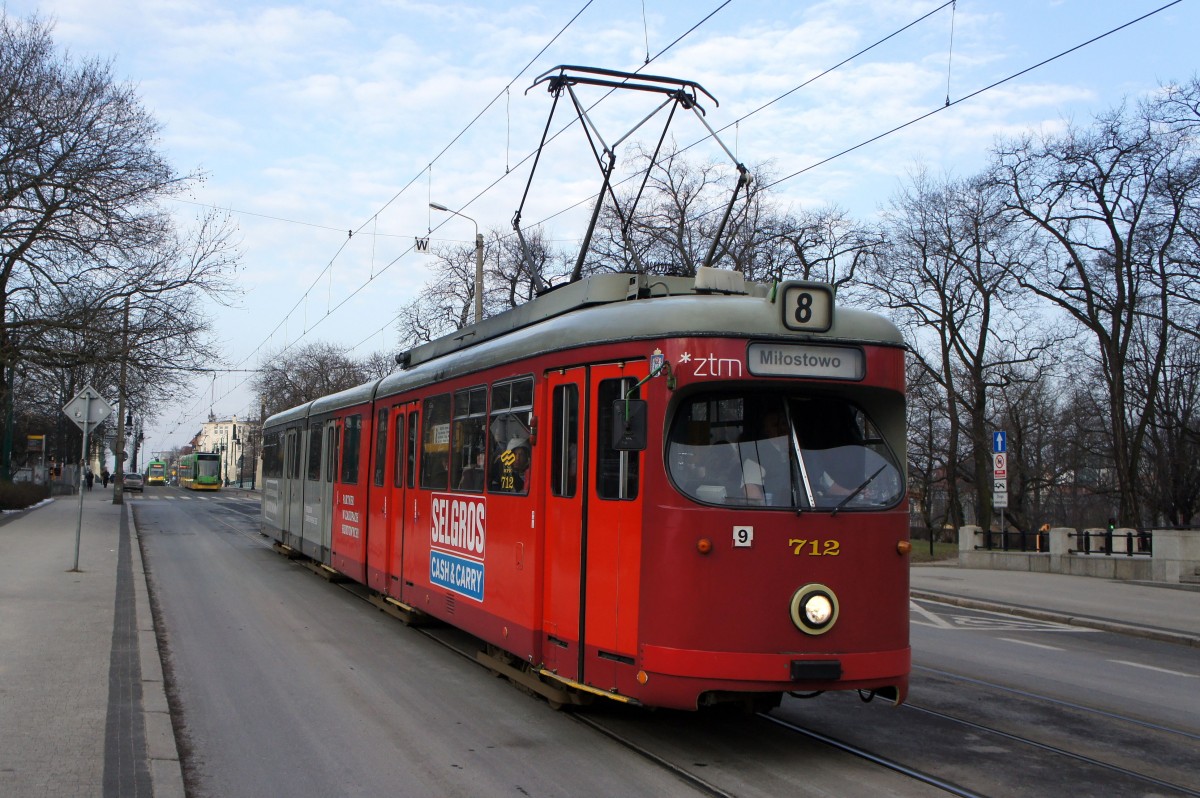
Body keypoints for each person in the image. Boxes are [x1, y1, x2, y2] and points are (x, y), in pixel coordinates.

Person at [740, 406, 792, 505]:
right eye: (775, 425)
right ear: (766, 430)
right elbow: (752, 492)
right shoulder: (757, 455)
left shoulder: (798, 452)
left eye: (784, 424)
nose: (781, 429)